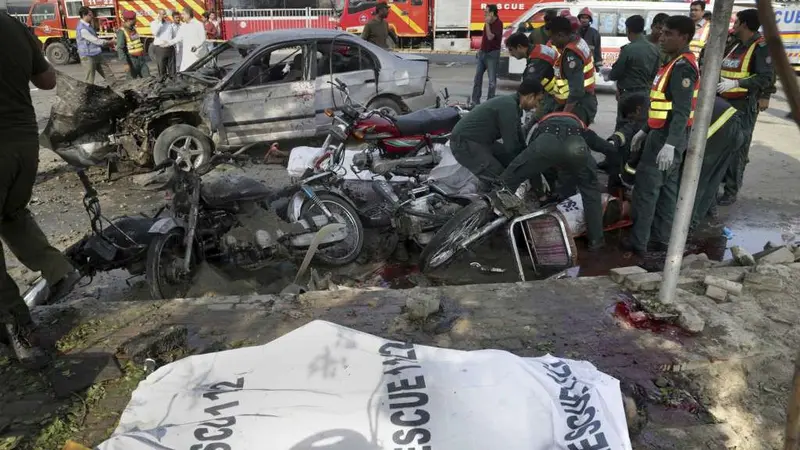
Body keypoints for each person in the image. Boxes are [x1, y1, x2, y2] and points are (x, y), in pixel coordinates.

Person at [0, 13, 81, 368]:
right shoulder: (12, 24)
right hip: (23, 145)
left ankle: (18, 328)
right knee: (12, 215)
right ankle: (57, 269)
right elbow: (47, 80)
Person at [498, 79, 605, 251]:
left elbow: (532, 168)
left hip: (546, 145)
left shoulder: (538, 126)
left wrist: (540, 194)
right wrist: (618, 164)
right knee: (591, 191)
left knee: (509, 179)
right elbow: (602, 146)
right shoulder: (579, 123)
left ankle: (498, 226)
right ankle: (596, 241)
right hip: (576, 148)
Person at [624, 15, 700, 256]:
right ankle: (661, 239)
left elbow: (680, 111)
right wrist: (644, 130)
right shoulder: (673, 63)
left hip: (666, 138)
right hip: (662, 133)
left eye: (669, 34)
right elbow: (663, 107)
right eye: (662, 32)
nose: (662, 37)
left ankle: (639, 243)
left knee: (647, 190)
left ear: (684, 37)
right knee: (667, 191)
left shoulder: (682, 67)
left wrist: (669, 144)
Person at [623, 97, 744, 230]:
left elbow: (642, 153)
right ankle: (706, 213)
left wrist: (628, 179)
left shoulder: (651, 110)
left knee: (696, 179)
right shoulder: (657, 104)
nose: (633, 120)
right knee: (712, 177)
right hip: (733, 124)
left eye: (632, 117)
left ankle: (687, 225)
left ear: (637, 109)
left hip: (719, 127)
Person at [717, 8, 774, 206]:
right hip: (723, 102)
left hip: (742, 104)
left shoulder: (760, 47)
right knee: (721, 145)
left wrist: (737, 84)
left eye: (737, 21)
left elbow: (765, 77)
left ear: (745, 24)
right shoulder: (735, 43)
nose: (734, 24)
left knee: (738, 149)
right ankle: (722, 182)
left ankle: (731, 190)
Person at [449, 84, 532, 181]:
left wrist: (528, 157)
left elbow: (519, 138)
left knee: (507, 161)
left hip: (480, 141)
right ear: (530, 96)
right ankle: (486, 194)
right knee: (498, 176)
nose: (536, 106)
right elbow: (511, 145)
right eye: (538, 101)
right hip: (464, 143)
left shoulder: (514, 106)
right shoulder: (509, 106)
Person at [603, 15, 659, 130]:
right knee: (639, 128)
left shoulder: (628, 49)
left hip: (628, 96)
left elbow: (615, 74)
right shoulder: (654, 49)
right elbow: (655, 74)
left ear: (628, 30)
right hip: (645, 94)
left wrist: (608, 74)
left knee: (623, 129)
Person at [548, 16, 598, 125]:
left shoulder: (571, 54)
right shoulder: (578, 40)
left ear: (561, 35)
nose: (552, 41)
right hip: (585, 100)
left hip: (579, 105)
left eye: (552, 37)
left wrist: (564, 115)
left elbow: (577, 91)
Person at [505, 32, 559, 121]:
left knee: (536, 121)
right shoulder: (539, 48)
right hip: (555, 93)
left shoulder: (537, 60)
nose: (511, 54)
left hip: (553, 96)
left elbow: (529, 85)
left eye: (511, 50)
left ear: (519, 47)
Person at [75, 6, 116, 85]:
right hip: (87, 56)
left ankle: (117, 89)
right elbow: (96, 41)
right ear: (84, 15)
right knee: (90, 80)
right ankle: (88, 95)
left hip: (97, 53)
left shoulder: (88, 25)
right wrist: (111, 42)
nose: (92, 16)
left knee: (108, 74)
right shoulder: (82, 28)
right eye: (90, 15)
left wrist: (109, 44)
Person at [472, 4, 503, 105]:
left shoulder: (498, 24)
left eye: (486, 12)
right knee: (477, 78)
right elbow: (485, 38)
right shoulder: (487, 23)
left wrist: (488, 24)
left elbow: (490, 37)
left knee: (491, 82)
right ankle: (475, 101)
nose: (484, 14)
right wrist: (480, 49)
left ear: (492, 13)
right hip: (483, 53)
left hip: (492, 54)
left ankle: (489, 103)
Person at [168, 7, 207, 72]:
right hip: (186, 55)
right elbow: (178, 38)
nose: (181, 16)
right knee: (185, 72)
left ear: (188, 15)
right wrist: (167, 43)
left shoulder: (198, 24)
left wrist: (196, 46)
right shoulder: (183, 26)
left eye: (183, 14)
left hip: (197, 54)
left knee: (197, 72)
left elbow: (203, 38)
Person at [116, 11, 150, 79]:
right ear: (129, 20)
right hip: (131, 61)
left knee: (148, 79)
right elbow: (120, 48)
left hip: (141, 59)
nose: (136, 20)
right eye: (134, 18)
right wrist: (125, 63)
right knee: (131, 83)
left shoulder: (133, 29)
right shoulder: (122, 31)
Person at [150, 9, 176, 77]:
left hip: (170, 48)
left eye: (165, 14)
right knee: (162, 70)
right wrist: (160, 23)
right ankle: (163, 83)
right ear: (159, 15)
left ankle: (172, 83)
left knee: (172, 70)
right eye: (163, 14)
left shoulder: (169, 24)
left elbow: (173, 35)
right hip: (160, 49)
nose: (165, 16)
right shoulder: (153, 23)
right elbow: (155, 33)